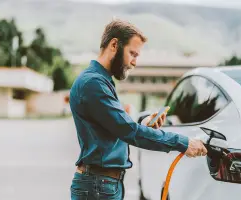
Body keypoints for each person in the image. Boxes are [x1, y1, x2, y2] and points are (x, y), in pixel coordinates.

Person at [69, 19, 207, 200]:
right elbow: (128, 131)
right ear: (114, 45)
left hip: (101, 185)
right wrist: (183, 142)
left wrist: (143, 124)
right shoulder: (93, 84)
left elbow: (114, 129)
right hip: (98, 187)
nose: (134, 62)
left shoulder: (100, 81)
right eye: (132, 53)